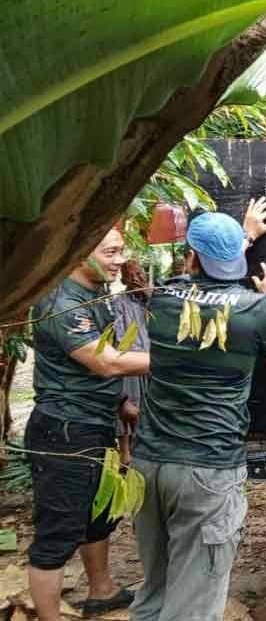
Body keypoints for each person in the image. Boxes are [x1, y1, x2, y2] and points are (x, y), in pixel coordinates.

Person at [130, 205, 266, 621]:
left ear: (190, 257)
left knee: (154, 593)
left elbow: (199, 281)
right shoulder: (257, 311)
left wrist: (239, 236)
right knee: (193, 605)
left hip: (149, 463)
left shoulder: (164, 299)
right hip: (206, 471)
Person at [26, 226, 150, 621]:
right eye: (111, 252)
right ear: (79, 252)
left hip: (94, 423)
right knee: (58, 531)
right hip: (65, 430)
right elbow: (106, 361)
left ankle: (102, 590)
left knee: (99, 513)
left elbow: (95, 372)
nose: (120, 260)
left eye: (120, 251)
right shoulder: (59, 300)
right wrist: (178, 359)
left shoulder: (94, 293)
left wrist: (121, 403)